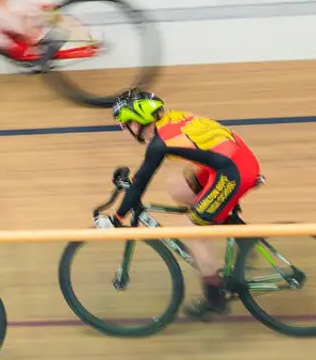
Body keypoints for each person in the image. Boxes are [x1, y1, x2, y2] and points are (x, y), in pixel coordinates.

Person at [95, 90, 262, 319]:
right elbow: (143, 175)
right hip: (233, 159)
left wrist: (115, 219)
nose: (124, 131)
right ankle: (242, 236)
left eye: (124, 125)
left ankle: (215, 297)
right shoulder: (170, 120)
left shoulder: (159, 144)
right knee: (178, 187)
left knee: (189, 232)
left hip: (233, 172)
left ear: (136, 123)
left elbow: (141, 182)